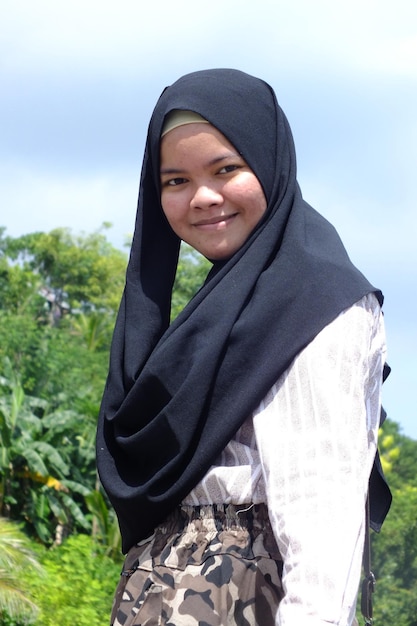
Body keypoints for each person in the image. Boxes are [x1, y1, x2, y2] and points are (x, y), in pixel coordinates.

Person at [96, 68, 391, 626]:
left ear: (271, 162)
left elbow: (322, 506)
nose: (204, 198)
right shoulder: (224, 308)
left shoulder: (312, 301)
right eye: (175, 181)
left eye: (226, 169)